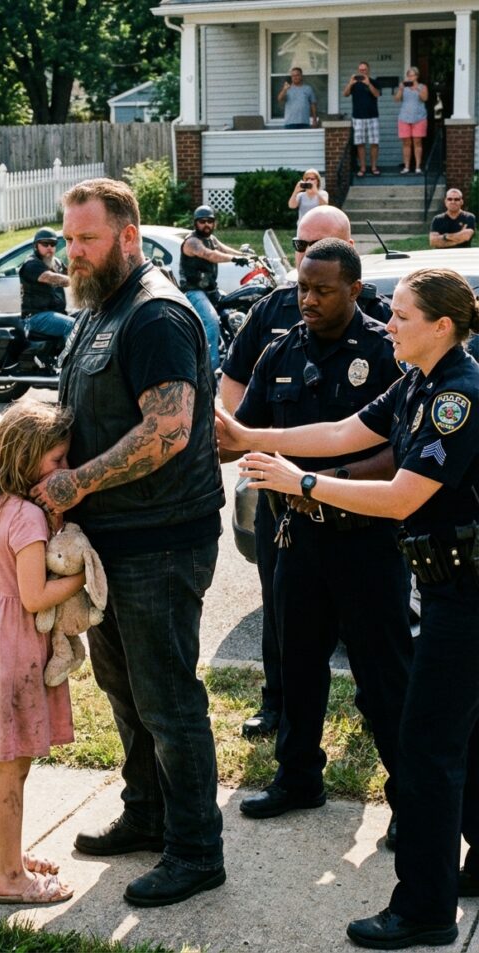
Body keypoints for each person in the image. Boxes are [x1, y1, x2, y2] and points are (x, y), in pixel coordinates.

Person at [217, 267, 479, 951]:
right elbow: (340, 431)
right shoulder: (419, 380)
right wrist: (253, 440)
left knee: (425, 749)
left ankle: (424, 908)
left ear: (441, 326)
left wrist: (298, 481)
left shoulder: (458, 394)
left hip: (467, 595)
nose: (386, 323)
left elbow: (399, 496)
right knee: (451, 740)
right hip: (450, 585)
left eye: (399, 315)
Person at [30, 178, 226, 909]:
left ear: (129, 236)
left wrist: (76, 482)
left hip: (161, 541)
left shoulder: (156, 314)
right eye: (69, 238)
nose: (73, 252)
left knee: (168, 699)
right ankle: (147, 813)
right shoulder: (98, 307)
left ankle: (197, 849)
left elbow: (170, 429)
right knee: (124, 690)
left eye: (87, 239)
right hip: (112, 543)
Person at [221, 239, 411, 843]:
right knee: (297, 664)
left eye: (322, 290)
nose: (307, 299)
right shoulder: (279, 351)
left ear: (355, 290)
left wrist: (323, 484)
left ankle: (411, 801)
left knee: (383, 678)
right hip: (296, 536)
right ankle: (298, 776)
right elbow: (242, 437)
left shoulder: (385, 353)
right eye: (303, 287)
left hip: (367, 542)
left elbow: (401, 449)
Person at [0, 398, 85, 907]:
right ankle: (13, 878)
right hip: (14, 648)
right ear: (26, 458)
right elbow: (34, 596)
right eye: (57, 460)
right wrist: (82, 578)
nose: (65, 469)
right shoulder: (29, 519)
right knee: (14, 764)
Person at [179, 204, 251, 373]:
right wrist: (234, 259)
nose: (206, 225)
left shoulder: (212, 239)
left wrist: (246, 257)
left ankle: (234, 361)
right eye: (202, 221)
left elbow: (223, 249)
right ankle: (211, 370)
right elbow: (209, 255)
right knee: (211, 322)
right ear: (195, 223)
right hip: (194, 291)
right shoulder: (192, 242)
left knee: (232, 316)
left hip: (211, 291)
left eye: (210, 221)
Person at [19, 228, 75, 342]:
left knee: (85, 319)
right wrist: (78, 281)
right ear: (36, 246)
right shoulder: (31, 263)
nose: (49, 247)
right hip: (36, 317)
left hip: (54, 314)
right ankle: (72, 359)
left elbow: (72, 273)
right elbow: (49, 277)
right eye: (45, 244)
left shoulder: (56, 262)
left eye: (53, 244)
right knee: (72, 326)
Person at [343, 62, 382, 176]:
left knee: (374, 143)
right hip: (358, 117)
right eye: (360, 70)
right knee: (360, 144)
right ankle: (363, 168)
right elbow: (345, 94)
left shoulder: (374, 82)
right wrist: (350, 83)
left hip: (372, 117)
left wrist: (368, 83)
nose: (362, 72)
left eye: (364, 70)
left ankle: (374, 167)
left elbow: (377, 95)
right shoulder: (354, 83)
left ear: (368, 70)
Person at [393, 67, 429, 175]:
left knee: (417, 142)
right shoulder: (403, 87)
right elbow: (396, 99)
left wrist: (416, 88)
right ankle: (406, 167)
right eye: (409, 75)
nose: (410, 77)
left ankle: (418, 167)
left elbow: (425, 98)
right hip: (404, 118)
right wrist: (400, 89)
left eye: (412, 75)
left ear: (417, 76)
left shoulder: (422, 87)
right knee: (406, 143)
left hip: (419, 118)